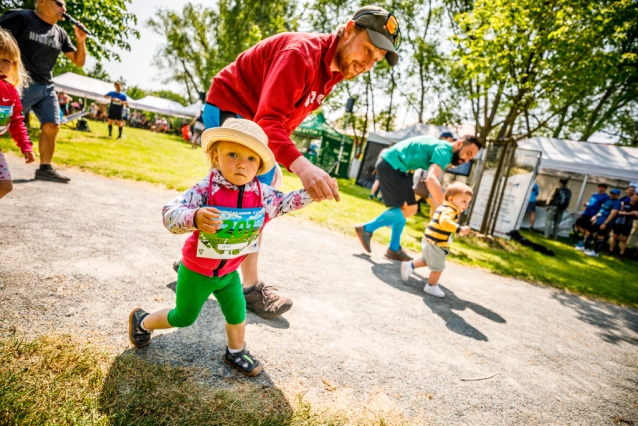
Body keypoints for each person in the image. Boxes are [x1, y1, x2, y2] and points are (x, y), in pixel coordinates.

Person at [171, 5, 402, 319]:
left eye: (376, 59)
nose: (368, 63)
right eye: (368, 49)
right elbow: (269, 120)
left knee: (253, 189)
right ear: (349, 30)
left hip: (253, 119)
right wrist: (302, 166)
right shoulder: (301, 55)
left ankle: (201, 261)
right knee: (254, 197)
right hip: (231, 105)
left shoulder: (332, 70)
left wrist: (280, 158)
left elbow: (284, 118)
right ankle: (249, 288)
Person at [128, 119, 319, 377]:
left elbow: (286, 202)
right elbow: (169, 213)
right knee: (183, 318)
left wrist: (313, 193)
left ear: (259, 166)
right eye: (233, 154)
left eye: (252, 159)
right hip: (197, 272)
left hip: (229, 274)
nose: (242, 163)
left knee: (238, 314)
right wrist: (194, 217)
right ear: (215, 156)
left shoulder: (262, 194)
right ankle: (142, 320)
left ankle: (235, 351)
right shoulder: (205, 190)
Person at [355, 135, 481, 261]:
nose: (466, 160)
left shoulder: (442, 148)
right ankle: (366, 229)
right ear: (459, 144)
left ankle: (394, 248)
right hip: (393, 164)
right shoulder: (445, 152)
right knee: (411, 209)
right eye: (468, 153)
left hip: (391, 164)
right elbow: (431, 179)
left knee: (404, 209)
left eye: (471, 157)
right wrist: (447, 205)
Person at [0, 0, 87, 183]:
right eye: (59, 3)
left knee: (53, 124)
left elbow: (78, 61)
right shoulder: (20, 18)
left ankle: (45, 168)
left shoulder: (60, 34)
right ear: (42, 1)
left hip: (46, 86)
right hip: (20, 84)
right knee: (5, 123)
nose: (64, 8)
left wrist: (81, 41)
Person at [400, 182, 473, 298]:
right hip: (436, 243)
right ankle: (431, 286)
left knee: (426, 260)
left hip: (429, 240)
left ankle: (410, 266)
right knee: (438, 267)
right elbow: (444, 222)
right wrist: (458, 229)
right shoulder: (450, 210)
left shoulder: (445, 207)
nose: (466, 205)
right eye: (464, 201)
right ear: (451, 199)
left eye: (468, 202)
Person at [0, 29, 36, 198]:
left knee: (5, 186)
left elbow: (16, 121)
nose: (0, 64)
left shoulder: (10, 91)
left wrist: (25, 145)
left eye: (5, 60)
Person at [578, 188, 622, 257]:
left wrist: (605, 223)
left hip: (605, 222)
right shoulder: (608, 200)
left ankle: (595, 252)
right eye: (611, 193)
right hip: (598, 220)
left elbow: (613, 214)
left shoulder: (617, 203)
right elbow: (602, 210)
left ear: (618, 195)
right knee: (588, 232)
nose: (612, 195)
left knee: (600, 236)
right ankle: (586, 248)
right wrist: (595, 216)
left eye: (614, 194)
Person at [609, 193, 638, 258]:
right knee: (615, 237)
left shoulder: (637, 207)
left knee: (624, 239)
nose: (635, 199)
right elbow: (619, 212)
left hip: (628, 225)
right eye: (634, 197)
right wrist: (631, 213)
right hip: (619, 223)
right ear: (631, 197)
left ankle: (621, 254)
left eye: (637, 198)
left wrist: (636, 216)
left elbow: (635, 218)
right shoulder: (624, 203)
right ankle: (610, 250)